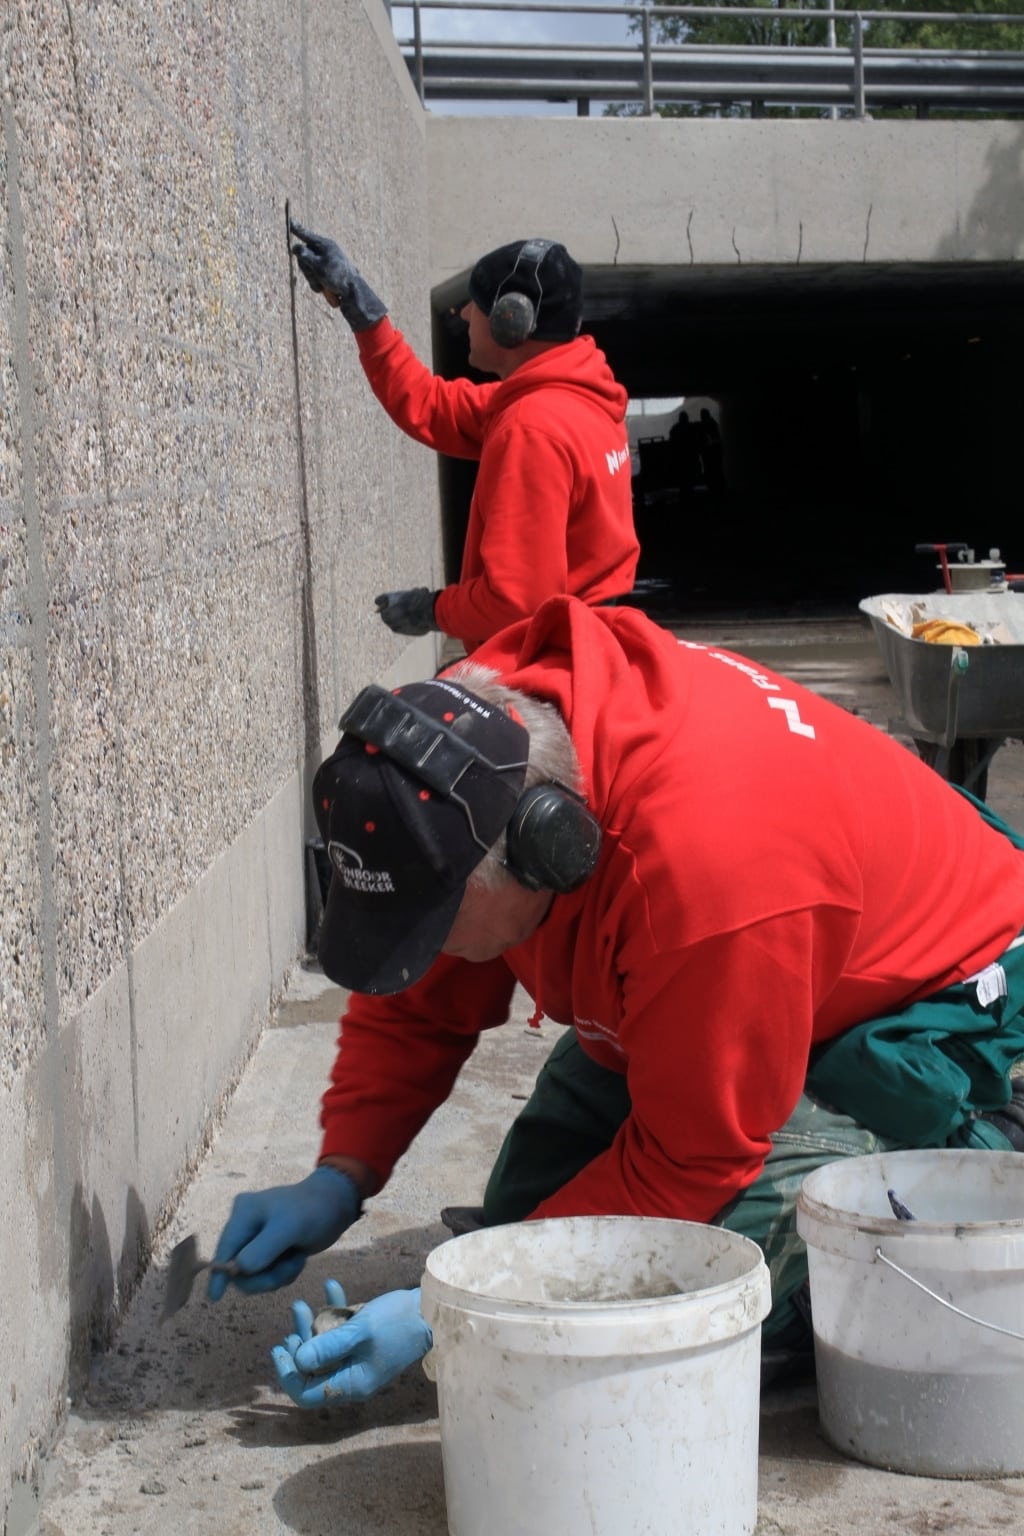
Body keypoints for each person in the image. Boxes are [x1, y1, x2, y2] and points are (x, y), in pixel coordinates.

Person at [209, 596, 1024, 1407]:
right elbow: (420, 992)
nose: (428, 956)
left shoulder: (709, 880)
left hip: (949, 994)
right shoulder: (464, 742)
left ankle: (985, 1141)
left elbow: (691, 1157)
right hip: (767, 966)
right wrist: (342, 1173)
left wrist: (450, 1309)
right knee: (528, 1220)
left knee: (694, 1278)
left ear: (549, 851)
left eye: (436, 928)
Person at [288, 220, 639, 652]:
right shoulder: (575, 395)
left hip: (551, 659)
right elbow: (428, 405)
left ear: (512, 323)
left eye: (475, 304)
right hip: (586, 642)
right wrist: (359, 304)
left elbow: (515, 602)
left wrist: (431, 609)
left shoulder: (533, 430)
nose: (465, 314)